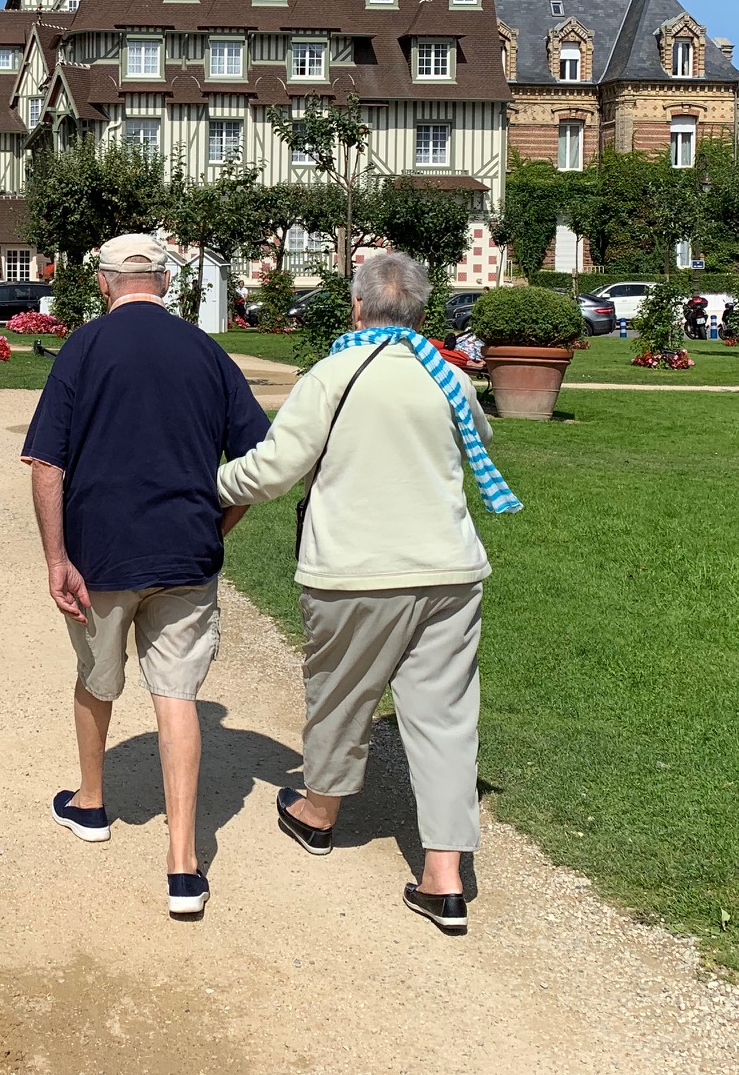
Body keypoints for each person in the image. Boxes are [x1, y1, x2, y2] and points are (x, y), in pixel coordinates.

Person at [216, 250, 521, 937]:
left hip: (355, 571)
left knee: (341, 693)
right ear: (420, 311)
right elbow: (483, 435)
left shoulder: (334, 374)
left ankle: (319, 813)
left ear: (358, 307)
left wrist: (209, 488)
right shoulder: (446, 376)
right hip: (448, 571)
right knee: (445, 718)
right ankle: (444, 877)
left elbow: (273, 470)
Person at [21, 233, 269, 918]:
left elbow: (47, 463)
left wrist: (55, 558)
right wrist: (218, 525)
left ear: (105, 283)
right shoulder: (207, 351)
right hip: (185, 553)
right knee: (178, 694)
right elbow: (259, 461)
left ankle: (92, 803)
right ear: (164, 282)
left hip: (101, 554)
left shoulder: (85, 347)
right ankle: (184, 864)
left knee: (97, 681)